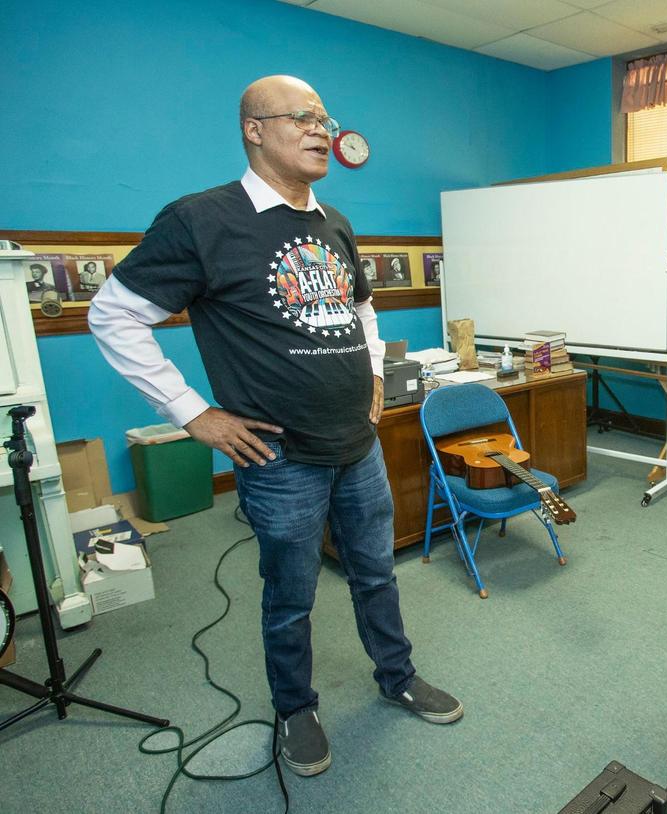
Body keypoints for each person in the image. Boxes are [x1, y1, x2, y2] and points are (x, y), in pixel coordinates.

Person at [88, 75, 462, 778]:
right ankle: (295, 708)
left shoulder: (336, 224)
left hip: (357, 445)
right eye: (303, 117)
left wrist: (377, 375)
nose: (322, 129)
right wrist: (191, 412)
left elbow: (362, 308)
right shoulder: (201, 220)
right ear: (253, 129)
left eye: (326, 117)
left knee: (376, 573)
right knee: (289, 596)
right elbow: (111, 314)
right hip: (279, 456)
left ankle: (398, 676)